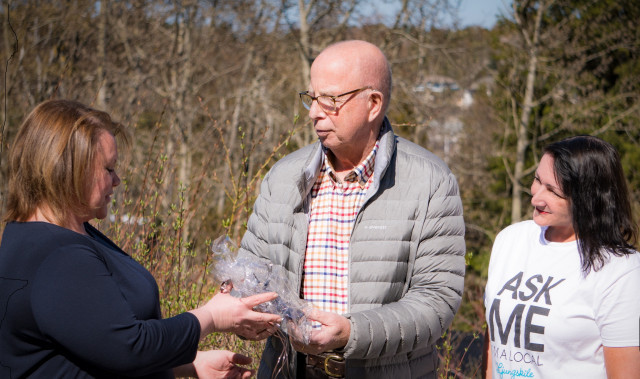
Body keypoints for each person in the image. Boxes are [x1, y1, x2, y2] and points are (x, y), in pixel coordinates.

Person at [0, 99, 282, 379]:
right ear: (68, 170)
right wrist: (211, 317)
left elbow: (96, 343)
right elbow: (129, 347)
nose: (117, 180)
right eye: (108, 169)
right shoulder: (57, 255)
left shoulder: (64, 235)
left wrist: (188, 364)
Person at [237, 40, 466, 378]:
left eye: (329, 100)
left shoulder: (430, 182)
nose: (314, 111)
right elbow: (250, 270)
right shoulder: (283, 176)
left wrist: (350, 333)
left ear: (373, 104)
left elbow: (436, 302)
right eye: (311, 98)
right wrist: (243, 309)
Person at [483, 136, 640, 378]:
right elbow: (494, 343)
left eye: (553, 191)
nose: (535, 197)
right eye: (537, 180)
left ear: (588, 200)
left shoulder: (621, 270)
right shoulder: (510, 239)